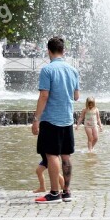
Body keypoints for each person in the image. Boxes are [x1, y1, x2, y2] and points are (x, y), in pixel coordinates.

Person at [32, 37, 80, 204]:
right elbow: (76, 96)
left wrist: (36, 119)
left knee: (52, 154)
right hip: (67, 118)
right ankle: (66, 192)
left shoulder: (47, 70)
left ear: (49, 51)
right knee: (66, 155)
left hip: (51, 119)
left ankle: (54, 193)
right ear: (63, 51)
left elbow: (44, 95)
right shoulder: (73, 70)